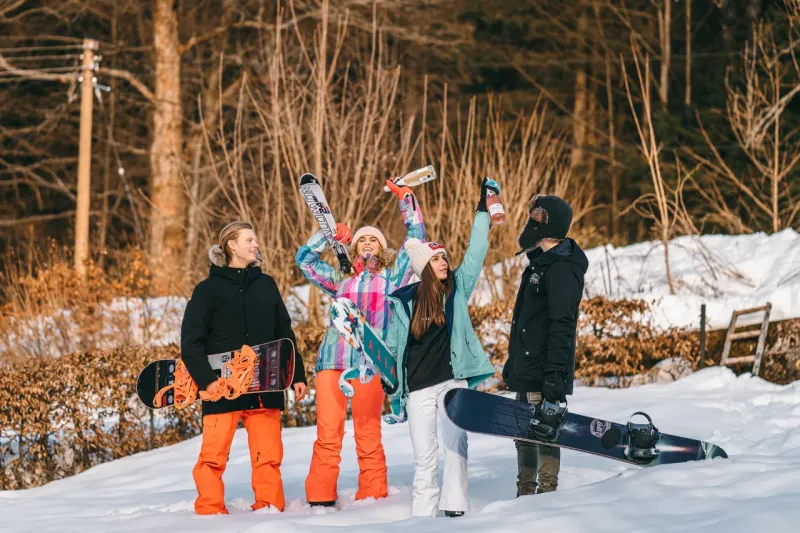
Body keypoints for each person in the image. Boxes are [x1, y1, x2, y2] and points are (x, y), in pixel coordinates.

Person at [295, 178, 425, 507]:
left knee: (367, 433)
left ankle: (373, 494)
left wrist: (406, 199)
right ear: (354, 247)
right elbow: (305, 263)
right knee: (328, 433)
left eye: (374, 240)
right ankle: (320, 496)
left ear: (383, 249)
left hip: (370, 365)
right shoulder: (341, 278)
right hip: (333, 362)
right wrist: (326, 236)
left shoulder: (394, 278)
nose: (368, 243)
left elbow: (416, 240)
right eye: (362, 239)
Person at [382, 178, 501, 518]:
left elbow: (475, 251)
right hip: (418, 387)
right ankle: (422, 518)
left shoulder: (457, 290)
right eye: (437, 259)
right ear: (424, 267)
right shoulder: (404, 302)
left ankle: (455, 511)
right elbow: (392, 348)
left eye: (445, 258)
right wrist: (388, 382)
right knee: (425, 457)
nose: (444, 262)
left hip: (452, 382)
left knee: (456, 445)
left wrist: (483, 211)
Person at [180, 221, 307, 515]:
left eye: (255, 240)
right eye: (249, 240)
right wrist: (205, 380)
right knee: (213, 456)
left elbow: (284, 332)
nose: (256, 244)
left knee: (269, 456)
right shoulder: (207, 290)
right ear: (231, 246)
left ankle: (270, 509)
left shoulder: (267, 285)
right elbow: (191, 341)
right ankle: (210, 512)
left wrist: (295, 374)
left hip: (266, 385)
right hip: (222, 387)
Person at [501, 194, 589, 496]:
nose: (531, 221)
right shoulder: (539, 263)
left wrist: (554, 377)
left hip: (545, 369)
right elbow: (525, 323)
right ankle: (524, 492)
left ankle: (547, 496)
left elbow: (562, 326)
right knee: (523, 433)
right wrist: (514, 363)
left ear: (551, 222)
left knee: (545, 429)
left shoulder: (562, 268)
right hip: (527, 365)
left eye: (538, 216)